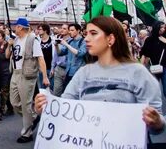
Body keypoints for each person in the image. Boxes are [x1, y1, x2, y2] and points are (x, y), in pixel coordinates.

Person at [35, 16, 165, 134]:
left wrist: (156, 122)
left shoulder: (138, 73)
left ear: (110, 38)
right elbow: (65, 107)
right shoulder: (83, 73)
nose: (86, 38)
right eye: (87, 33)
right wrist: (47, 108)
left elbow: (157, 124)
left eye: (93, 33)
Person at [9, 17, 49, 143]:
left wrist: (45, 77)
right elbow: (7, 56)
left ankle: (27, 133)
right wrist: (9, 45)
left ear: (20, 27)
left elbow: (40, 59)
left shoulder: (32, 39)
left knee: (26, 104)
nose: (14, 27)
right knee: (14, 103)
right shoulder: (15, 40)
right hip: (15, 73)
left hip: (27, 74)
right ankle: (33, 117)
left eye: (16, 26)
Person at [55, 23, 87, 87]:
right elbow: (60, 53)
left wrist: (66, 45)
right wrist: (56, 45)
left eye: (72, 30)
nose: (70, 32)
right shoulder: (70, 41)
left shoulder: (83, 41)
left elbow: (80, 53)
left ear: (78, 31)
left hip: (78, 72)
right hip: (68, 72)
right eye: (69, 30)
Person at [140, 21, 166, 95]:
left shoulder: (165, 38)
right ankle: (155, 105)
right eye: (161, 27)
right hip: (153, 67)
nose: (163, 29)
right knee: (153, 91)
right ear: (156, 27)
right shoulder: (149, 40)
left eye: (164, 27)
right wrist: (141, 67)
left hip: (165, 66)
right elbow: (144, 54)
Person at [37, 23, 53, 90]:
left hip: (50, 68)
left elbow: (55, 56)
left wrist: (53, 68)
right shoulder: (38, 41)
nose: (38, 31)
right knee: (42, 89)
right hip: (41, 69)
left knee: (52, 88)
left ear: (45, 30)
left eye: (40, 29)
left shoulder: (53, 40)